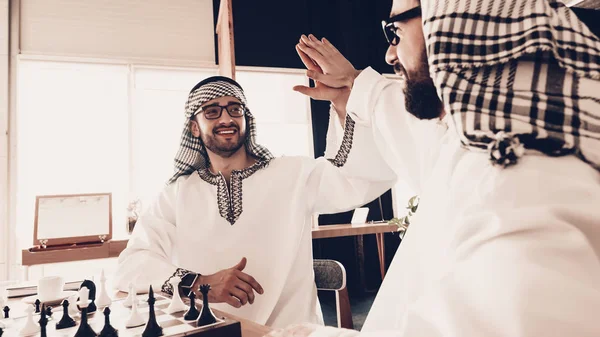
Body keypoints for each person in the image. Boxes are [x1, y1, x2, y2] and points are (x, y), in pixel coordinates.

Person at [267, 0, 600, 336]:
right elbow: (414, 130)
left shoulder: (525, 190)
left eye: (396, 32)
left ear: (455, 22)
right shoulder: (479, 143)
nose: (389, 56)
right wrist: (355, 85)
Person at [114, 76, 397, 328]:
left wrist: (343, 103)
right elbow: (132, 265)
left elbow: (357, 179)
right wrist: (199, 283)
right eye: (212, 111)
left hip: (290, 331)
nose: (226, 119)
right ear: (195, 127)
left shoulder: (292, 174)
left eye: (235, 109)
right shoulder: (177, 194)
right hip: (212, 331)